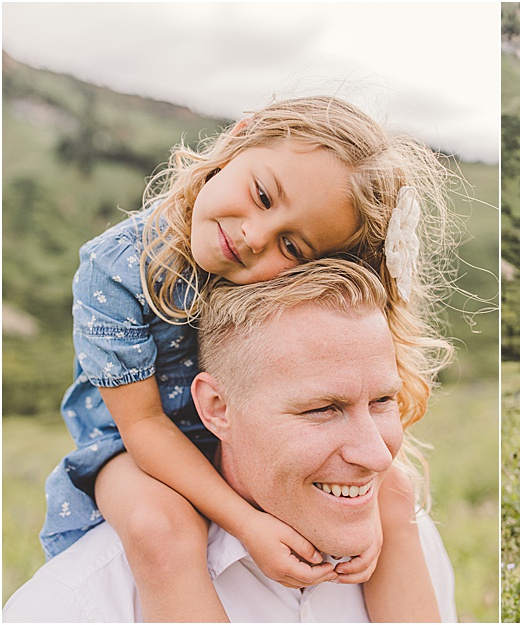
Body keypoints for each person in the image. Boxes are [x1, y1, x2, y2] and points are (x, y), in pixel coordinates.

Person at [38, 96, 458, 622]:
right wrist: (245, 523)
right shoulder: (117, 268)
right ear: (239, 139)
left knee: (396, 489)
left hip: (238, 426)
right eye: (262, 194)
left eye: (294, 246)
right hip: (130, 444)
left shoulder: (274, 271)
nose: (253, 237)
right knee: (159, 529)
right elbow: (141, 425)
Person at [3, 259, 457, 622]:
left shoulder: (410, 540)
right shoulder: (76, 607)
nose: (377, 455)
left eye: (382, 401)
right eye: (322, 409)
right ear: (217, 408)